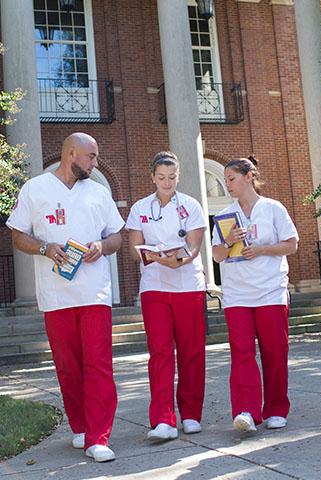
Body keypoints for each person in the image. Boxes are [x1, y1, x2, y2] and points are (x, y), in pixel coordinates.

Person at [6, 133, 124, 462]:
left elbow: (116, 235)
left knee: (98, 365)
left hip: (94, 294)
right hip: (56, 295)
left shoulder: (99, 192)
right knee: (68, 368)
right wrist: (45, 248)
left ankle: (99, 436)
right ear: (71, 154)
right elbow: (17, 234)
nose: (95, 162)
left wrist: (103, 246)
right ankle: (82, 427)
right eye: (91, 156)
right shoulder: (35, 189)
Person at [212, 156, 298, 432]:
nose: (227, 185)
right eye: (225, 180)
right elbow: (217, 255)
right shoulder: (225, 215)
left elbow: (291, 244)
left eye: (232, 179)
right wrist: (229, 241)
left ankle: (275, 409)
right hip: (237, 295)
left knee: (274, 352)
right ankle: (246, 411)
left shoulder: (273, 208)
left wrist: (260, 250)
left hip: (270, 291)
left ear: (249, 176)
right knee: (242, 353)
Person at [126, 151, 207, 441]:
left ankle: (191, 414)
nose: (167, 182)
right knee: (160, 352)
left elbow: (194, 247)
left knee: (192, 351)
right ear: (152, 177)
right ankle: (163, 419)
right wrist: (157, 258)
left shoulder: (191, 205)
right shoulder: (139, 208)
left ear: (178, 176)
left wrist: (178, 259)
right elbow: (135, 247)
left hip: (188, 284)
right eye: (161, 177)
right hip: (155, 287)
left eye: (172, 177)